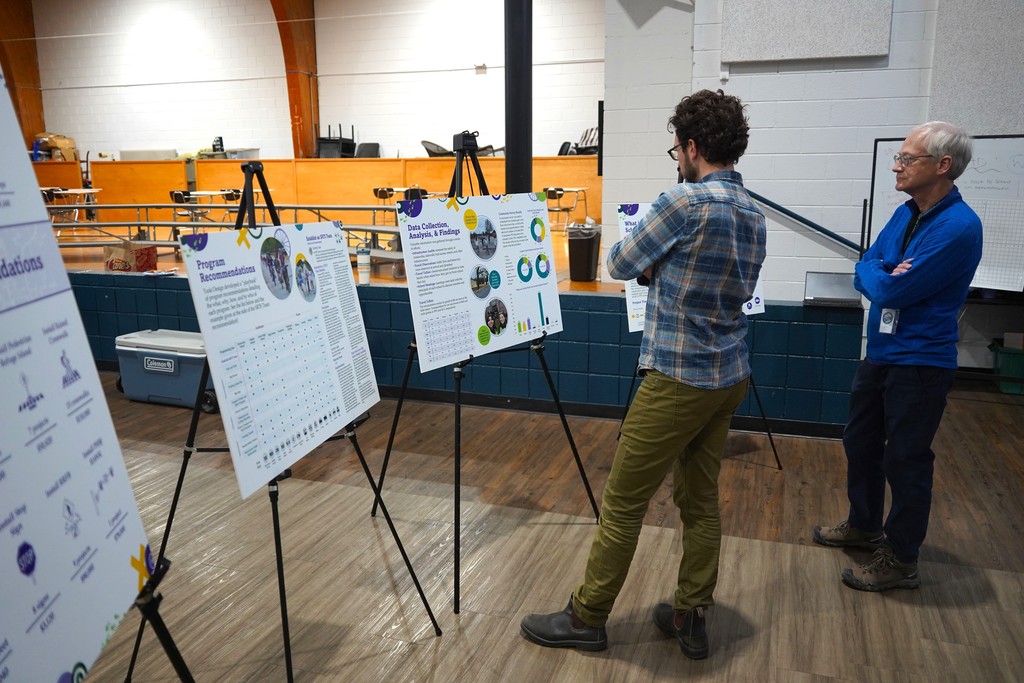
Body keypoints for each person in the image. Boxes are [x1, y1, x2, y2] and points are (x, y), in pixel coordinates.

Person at [519, 89, 766, 658]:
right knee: (700, 500)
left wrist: (658, 268)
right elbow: (736, 290)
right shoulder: (754, 215)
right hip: (730, 375)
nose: (676, 158)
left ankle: (587, 616)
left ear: (693, 147)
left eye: (677, 147)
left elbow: (620, 262)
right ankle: (690, 611)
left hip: (677, 378)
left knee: (625, 502)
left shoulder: (682, 203)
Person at [813, 121, 982, 592]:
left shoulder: (958, 227)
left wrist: (882, 274)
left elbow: (892, 288)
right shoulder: (907, 213)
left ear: (943, 165)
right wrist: (879, 269)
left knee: (906, 460)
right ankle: (865, 524)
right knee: (860, 443)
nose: (896, 165)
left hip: (921, 363)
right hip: (882, 354)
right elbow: (869, 264)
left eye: (907, 159)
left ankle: (902, 557)